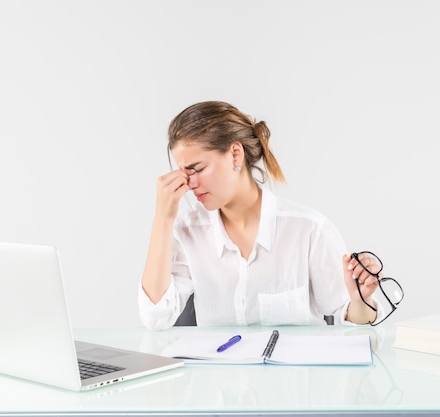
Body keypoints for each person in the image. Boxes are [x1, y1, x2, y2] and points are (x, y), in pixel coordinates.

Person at [138, 101, 384, 329]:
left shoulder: (309, 230)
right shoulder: (187, 230)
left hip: (295, 374)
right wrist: (163, 218)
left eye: (197, 169)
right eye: (183, 173)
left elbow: (351, 321)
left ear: (235, 154)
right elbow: (156, 317)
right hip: (217, 374)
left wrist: (360, 300)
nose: (189, 184)